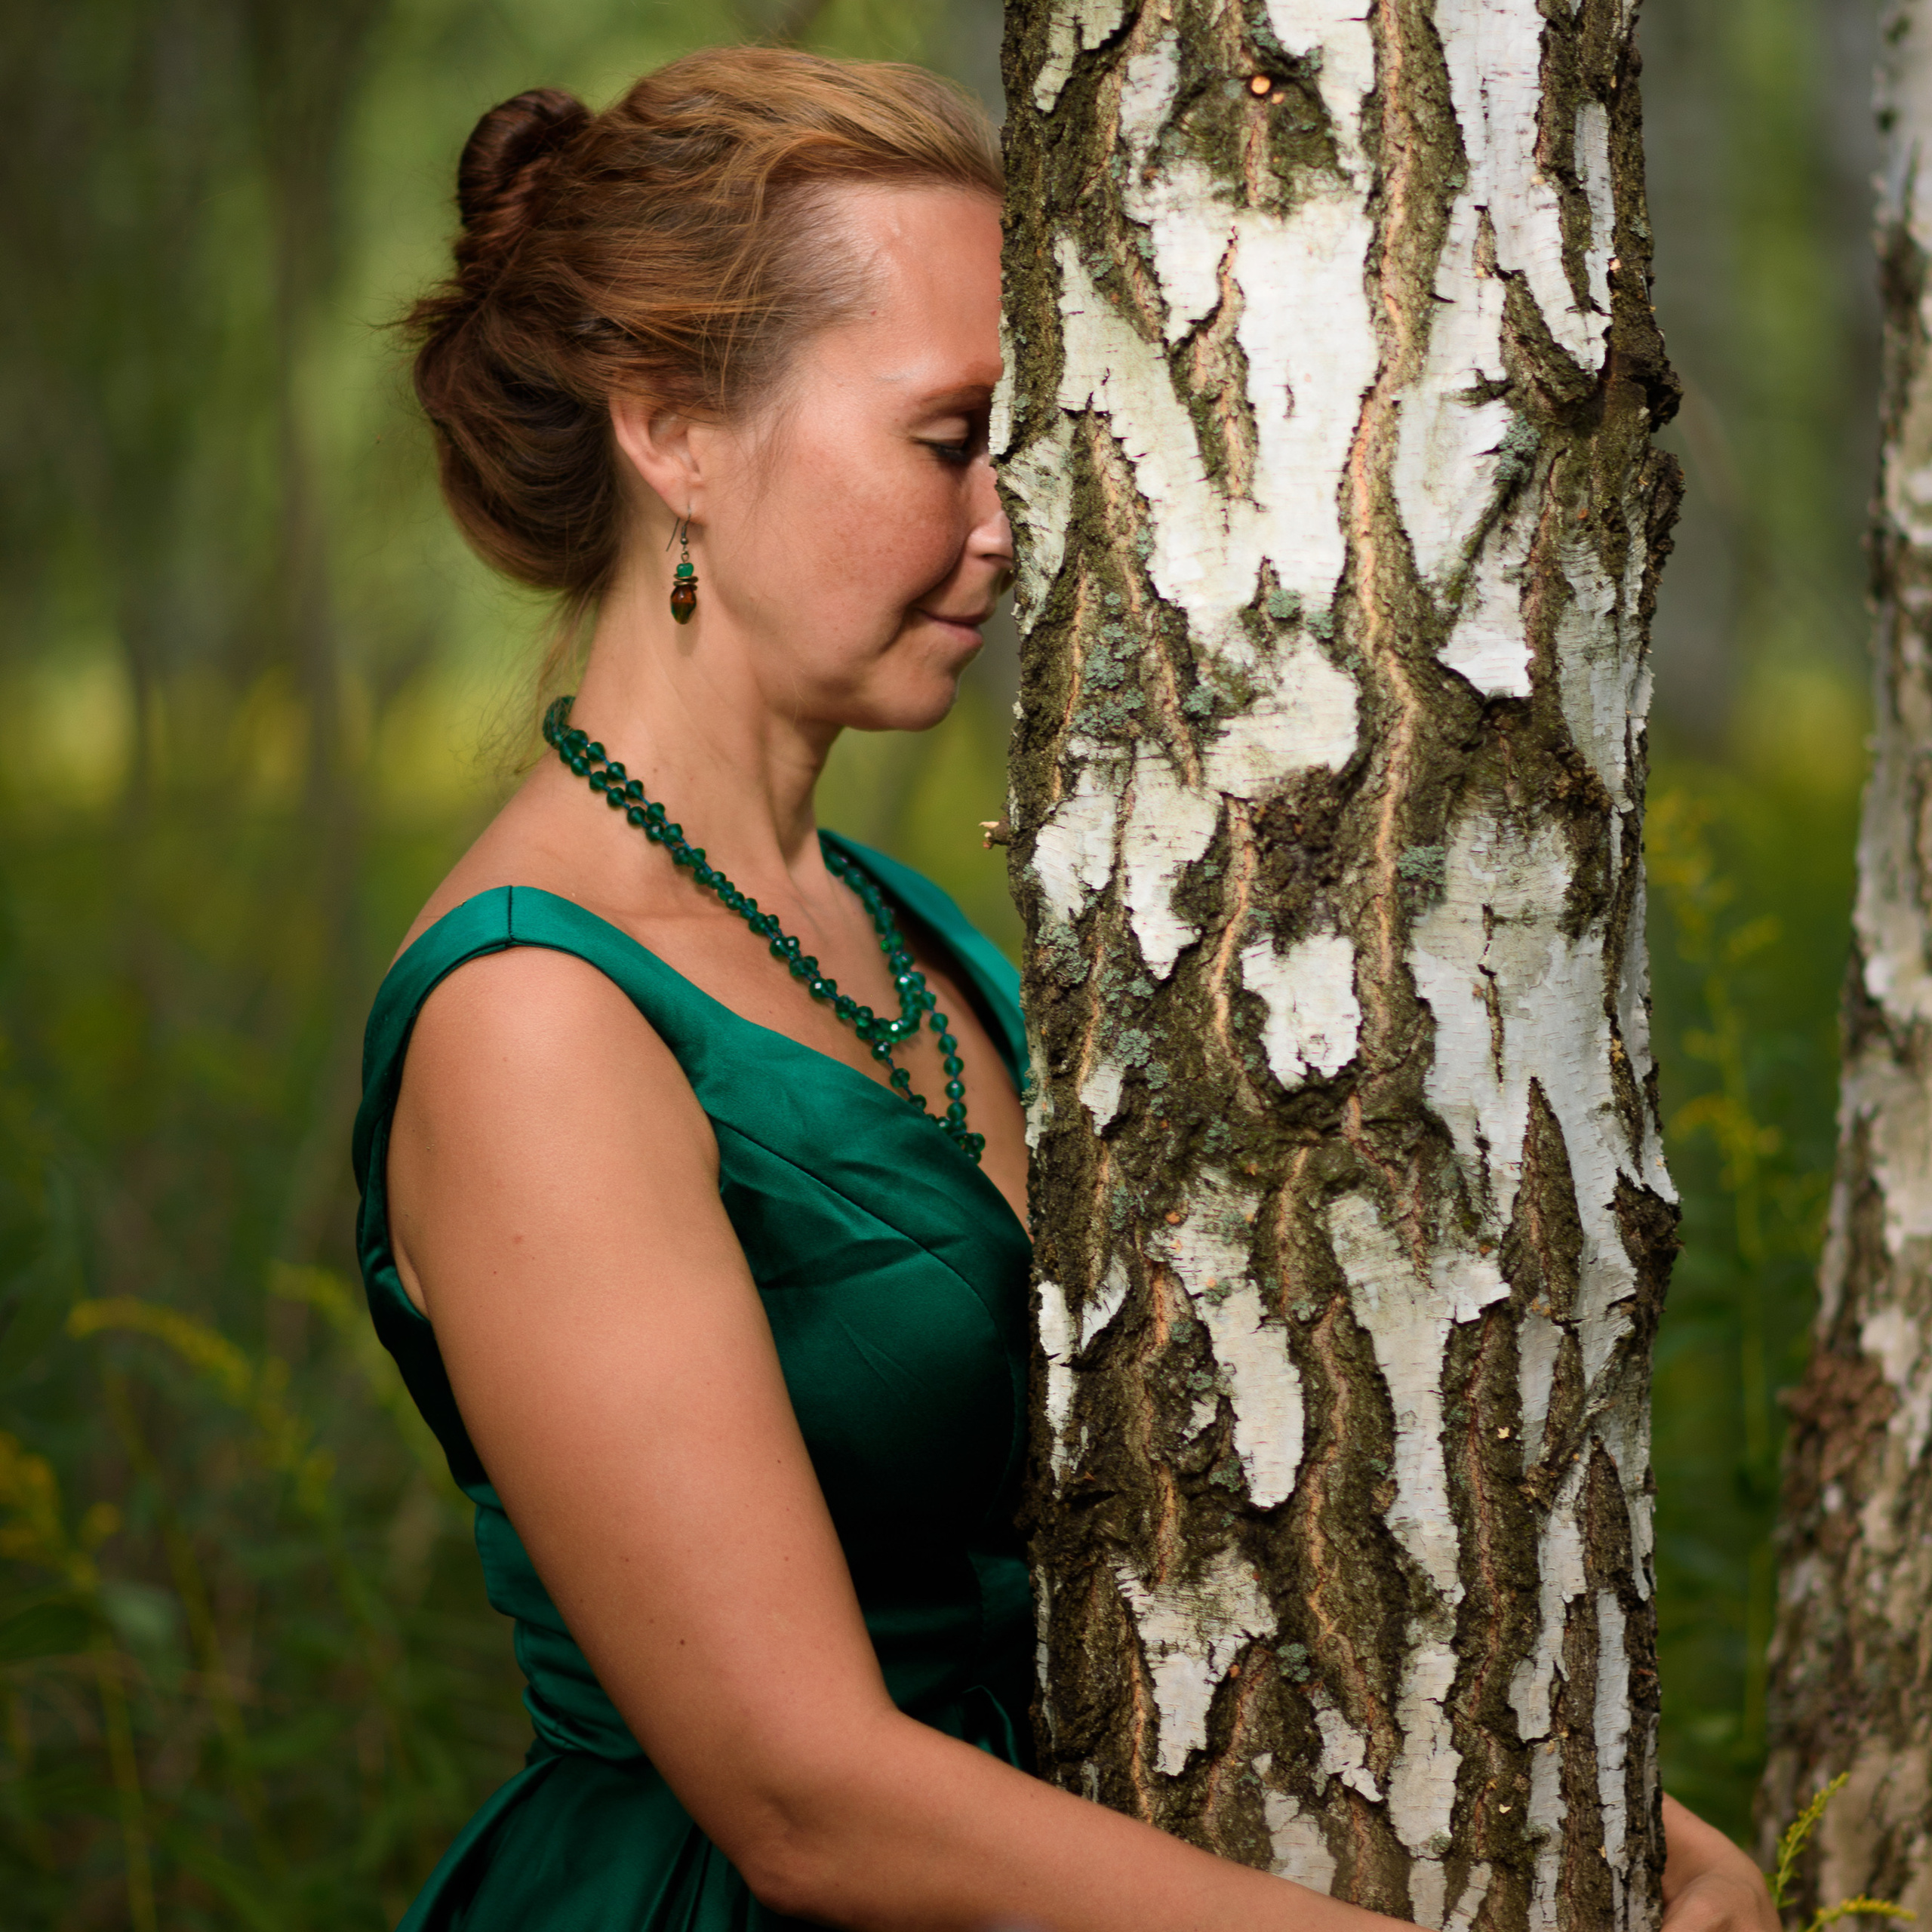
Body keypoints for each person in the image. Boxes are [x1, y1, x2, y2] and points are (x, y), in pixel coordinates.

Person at [357, 42, 1784, 1932]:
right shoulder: (531, 1017)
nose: (1010, 524)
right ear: (672, 428)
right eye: (946, 440)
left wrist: (1598, 1819)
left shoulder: (893, 924)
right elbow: (803, 1792)